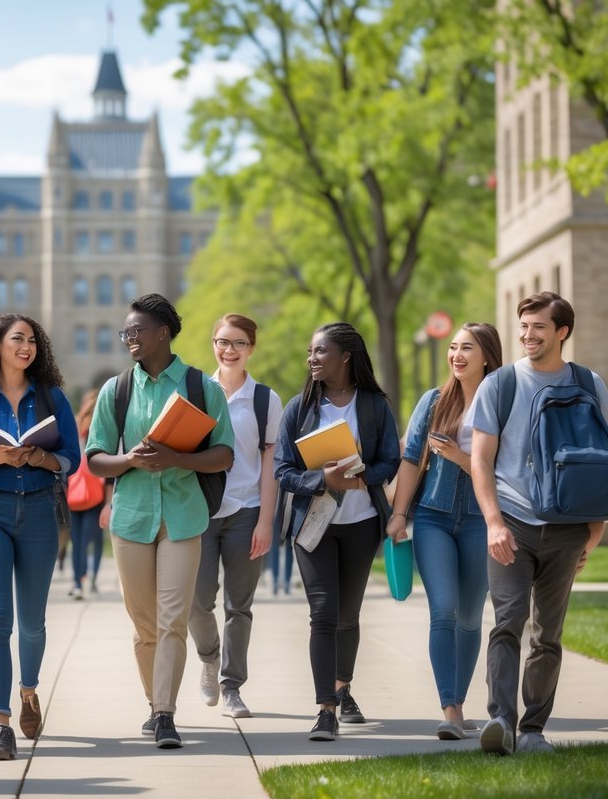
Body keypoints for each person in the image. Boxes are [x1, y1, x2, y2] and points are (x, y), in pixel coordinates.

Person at [470, 292, 608, 755]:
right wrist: (493, 522)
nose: (528, 336)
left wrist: (594, 532)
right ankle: (501, 722)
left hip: (569, 526)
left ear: (562, 333)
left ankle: (533, 729)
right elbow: (480, 459)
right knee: (507, 621)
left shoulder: (590, 384)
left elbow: (605, 461)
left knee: (547, 633)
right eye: (523, 326)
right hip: (512, 521)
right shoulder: (502, 384)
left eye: (539, 328)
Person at [87, 294, 234, 749]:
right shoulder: (116, 390)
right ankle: (156, 704)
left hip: (182, 517)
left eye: (137, 331)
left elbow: (225, 453)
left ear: (163, 334)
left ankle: (165, 714)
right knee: (145, 624)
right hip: (130, 521)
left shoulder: (200, 387)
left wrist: (176, 457)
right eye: (125, 333)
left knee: (173, 620)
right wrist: (129, 458)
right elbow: (95, 460)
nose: (130, 338)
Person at [0, 314, 80, 761]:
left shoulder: (52, 397)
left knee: (32, 622)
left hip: (41, 511)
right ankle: (0, 724)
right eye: (17, 339)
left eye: (32, 340)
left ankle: (29, 690)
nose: (26, 347)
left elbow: (72, 458)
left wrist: (43, 457)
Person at [274, 322, 400, 742]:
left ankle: (343, 687)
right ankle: (326, 709)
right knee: (323, 613)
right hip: (315, 525)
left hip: (362, 523)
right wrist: (321, 478)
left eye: (320, 351)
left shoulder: (374, 406)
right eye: (310, 351)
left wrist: (364, 477)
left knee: (348, 616)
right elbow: (283, 471)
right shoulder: (299, 408)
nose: (312, 358)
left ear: (345, 356)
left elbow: (391, 461)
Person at [386, 323, 502, 740]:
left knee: (471, 617)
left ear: (487, 355)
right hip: (433, 517)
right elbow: (411, 459)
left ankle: (460, 702)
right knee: (444, 610)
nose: (456, 355)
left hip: (479, 520)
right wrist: (399, 514)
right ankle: (450, 708)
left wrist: (457, 456)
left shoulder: (502, 402)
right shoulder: (433, 401)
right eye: (453, 347)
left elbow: (502, 472)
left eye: (466, 348)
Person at [188, 313, 282, 720]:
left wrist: (265, 521)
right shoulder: (196, 394)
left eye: (238, 343)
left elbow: (270, 464)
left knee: (238, 606)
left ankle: (231, 687)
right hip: (200, 512)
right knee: (196, 601)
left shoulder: (265, 400)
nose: (229, 350)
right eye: (222, 342)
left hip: (246, 511)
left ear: (251, 349)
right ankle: (209, 657)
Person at [68, 389, 106, 600]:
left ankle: (78, 581)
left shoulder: (75, 425)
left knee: (78, 541)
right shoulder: (99, 426)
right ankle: (87, 578)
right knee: (92, 539)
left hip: (74, 491)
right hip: (94, 493)